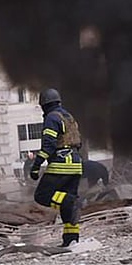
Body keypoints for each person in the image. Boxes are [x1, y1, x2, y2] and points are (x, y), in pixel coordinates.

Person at [28, 88, 83, 246]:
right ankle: (71, 240)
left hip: (61, 165)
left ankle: (72, 202)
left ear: (44, 105)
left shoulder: (51, 118)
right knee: (67, 207)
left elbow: (48, 146)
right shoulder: (69, 118)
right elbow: (79, 142)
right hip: (76, 164)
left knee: (42, 195)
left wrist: (36, 166)